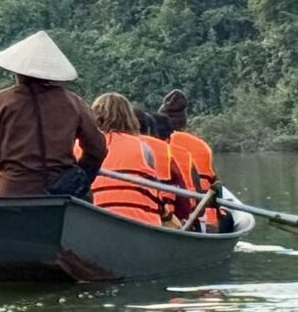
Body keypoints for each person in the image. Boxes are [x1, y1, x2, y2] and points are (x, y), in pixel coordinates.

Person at [0, 30, 109, 198]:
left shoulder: (1, 101)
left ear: (18, 71)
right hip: (61, 194)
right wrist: (80, 175)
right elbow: (98, 148)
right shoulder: (73, 102)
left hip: (12, 190)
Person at [86, 93, 183, 224]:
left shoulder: (80, 146)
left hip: (94, 222)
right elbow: (156, 195)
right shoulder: (144, 148)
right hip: (143, 224)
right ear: (129, 118)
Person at [155, 90, 225, 231]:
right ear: (185, 122)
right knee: (226, 217)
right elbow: (216, 187)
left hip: (173, 220)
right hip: (209, 222)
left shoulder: (157, 146)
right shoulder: (202, 145)